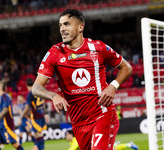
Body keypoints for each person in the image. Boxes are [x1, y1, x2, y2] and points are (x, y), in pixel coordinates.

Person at [32, 9, 132, 150]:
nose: (62, 29)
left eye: (66, 24)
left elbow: (126, 67)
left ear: (80, 27)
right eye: (60, 25)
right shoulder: (54, 53)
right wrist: (53, 96)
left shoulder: (98, 48)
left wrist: (112, 86)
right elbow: (36, 88)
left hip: (102, 113)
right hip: (78, 122)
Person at [0, 81, 24, 150]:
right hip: (1, 125)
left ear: (0, 88)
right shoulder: (1, 98)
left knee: (14, 144)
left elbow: (5, 110)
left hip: (7, 125)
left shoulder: (5, 97)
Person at [18, 78, 48, 150]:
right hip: (41, 114)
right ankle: (39, 148)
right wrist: (45, 113)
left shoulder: (30, 94)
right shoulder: (39, 91)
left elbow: (27, 107)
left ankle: (40, 148)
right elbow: (43, 102)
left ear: (26, 85)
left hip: (35, 116)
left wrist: (21, 117)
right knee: (38, 134)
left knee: (38, 134)